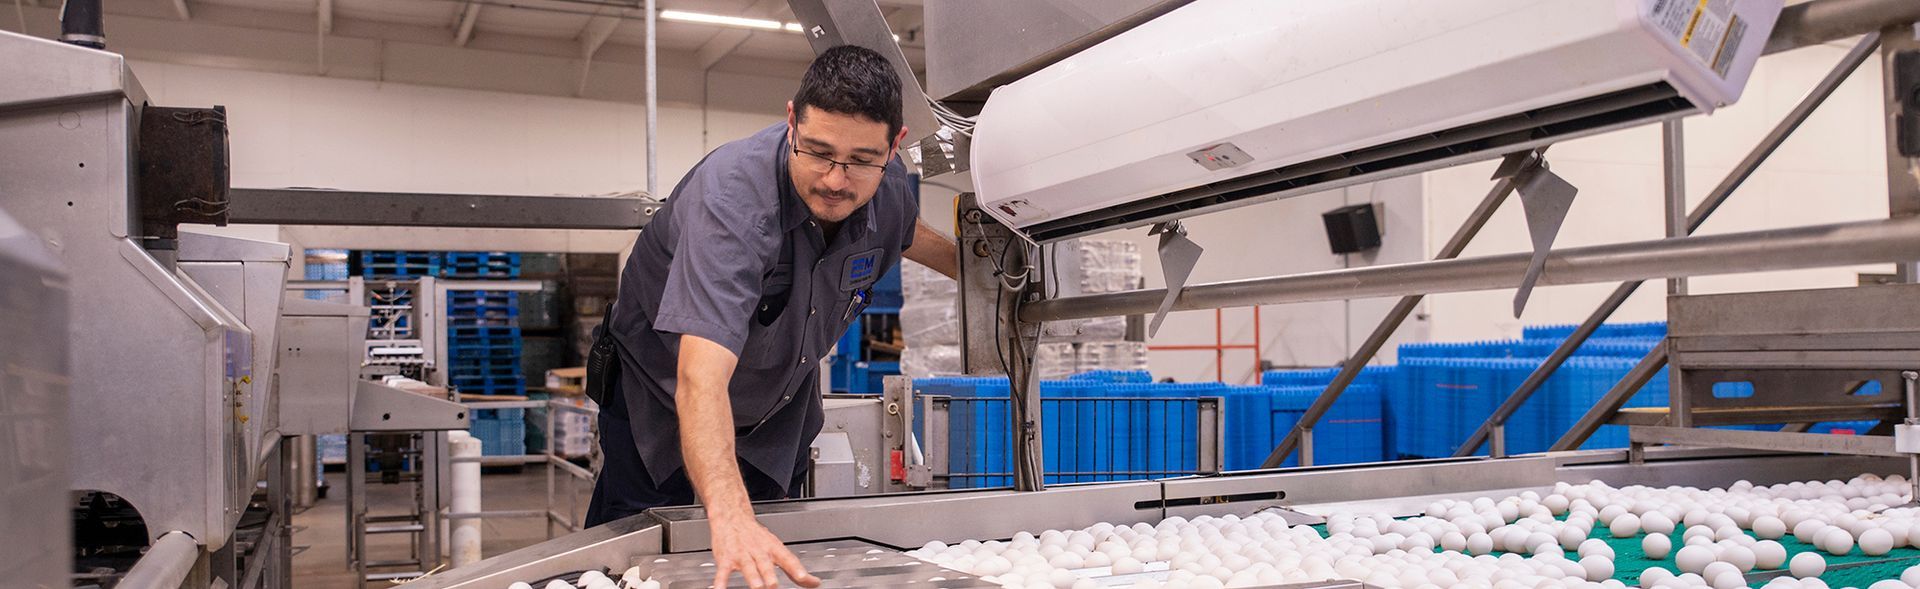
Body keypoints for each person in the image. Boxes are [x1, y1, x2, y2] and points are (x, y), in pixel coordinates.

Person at [584, 44, 959, 589]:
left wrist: (987, 273)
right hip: (659, 406)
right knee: (637, 565)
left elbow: (905, 236)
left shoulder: (889, 190)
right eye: (818, 151)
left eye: (859, 160)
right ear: (791, 123)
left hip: (773, 420)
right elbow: (699, 377)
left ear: (893, 146)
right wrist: (731, 515)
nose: (835, 179)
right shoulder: (734, 200)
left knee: (761, 569)